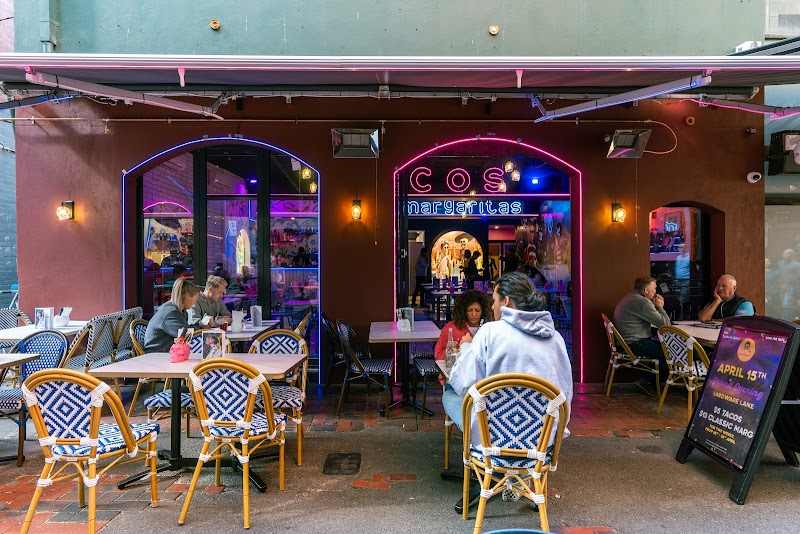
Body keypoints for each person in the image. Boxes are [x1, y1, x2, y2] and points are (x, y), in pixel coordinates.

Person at [442, 272, 573, 446]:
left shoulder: (489, 332)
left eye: (494, 300)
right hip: (541, 442)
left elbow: (464, 383)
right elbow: (565, 394)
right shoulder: (556, 339)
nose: (492, 307)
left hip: (492, 440)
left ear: (506, 301)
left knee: (450, 395)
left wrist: (466, 346)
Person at [613, 275, 670, 386]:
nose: (655, 291)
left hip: (624, 343)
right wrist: (660, 307)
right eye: (654, 288)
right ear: (646, 290)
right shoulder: (643, 302)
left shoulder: (630, 297)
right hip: (634, 344)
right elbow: (666, 324)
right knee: (670, 351)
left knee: (662, 347)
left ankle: (649, 381)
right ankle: (648, 382)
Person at [434, 290, 492, 364]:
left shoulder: (489, 329)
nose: (474, 314)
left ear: (483, 311)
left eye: (477, 310)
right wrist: (456, 351)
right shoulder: (451, 328)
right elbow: (438, 354)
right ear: (463, 311)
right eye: (470, 310)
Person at [144, 277, 200, 353]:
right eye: (195, 299)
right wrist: (202, 327)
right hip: (155, 353)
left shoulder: (177, 310)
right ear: (187, 296)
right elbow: (185, 334)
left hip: (165, 350)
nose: (195, 303)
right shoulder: (171, 312)